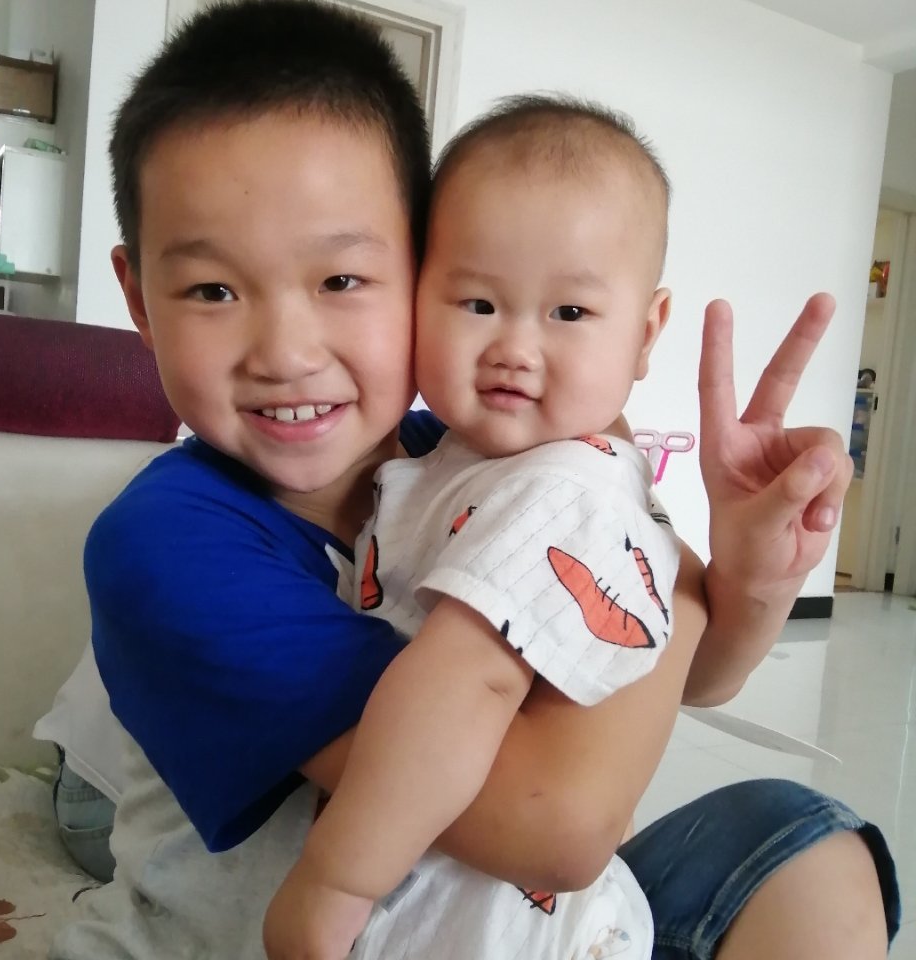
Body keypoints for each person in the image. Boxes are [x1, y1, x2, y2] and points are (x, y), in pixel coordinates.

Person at [47, 2, 898, 959]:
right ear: (139, 297)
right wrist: (636, 531)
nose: (285, 353)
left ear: (421, 266)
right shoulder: (166, 544)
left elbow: (697, 674)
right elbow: (562, 826)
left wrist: (751, 575)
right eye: (213, 290)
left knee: (809, 837)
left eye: (340, 281)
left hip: (502, 924)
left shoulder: (469, 459)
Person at [265, 95, 684, 958]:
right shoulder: (463, 458)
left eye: (569, 314)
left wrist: (337, 879)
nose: (515, 349)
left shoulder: (566, 486)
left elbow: (469, 684)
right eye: (478, 303)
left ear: (645, 335)